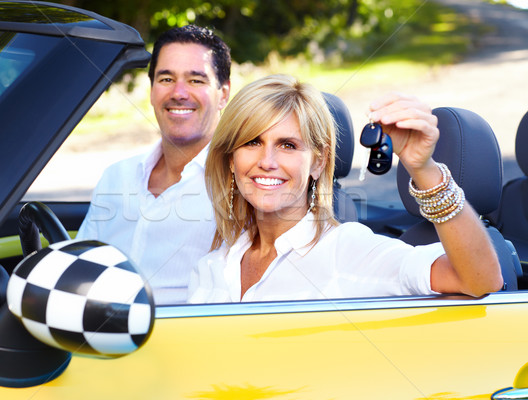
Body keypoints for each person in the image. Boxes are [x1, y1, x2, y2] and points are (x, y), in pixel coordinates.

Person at [187, 74, 503, 303]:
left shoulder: (347, 251)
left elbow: (479, 279)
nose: (267, 161)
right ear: (230, 160)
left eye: (288, 145)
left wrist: (423, 169)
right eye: (252, 142)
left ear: (319, 162)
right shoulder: (212, 266)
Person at [76, 25, 231, 304]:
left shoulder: (240, 185)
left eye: (196, 80)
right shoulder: (117, 176)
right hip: (100, 331)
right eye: (166, 78)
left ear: (223, 94)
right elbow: (83, 266)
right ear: (151, 91)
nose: (179, 93)